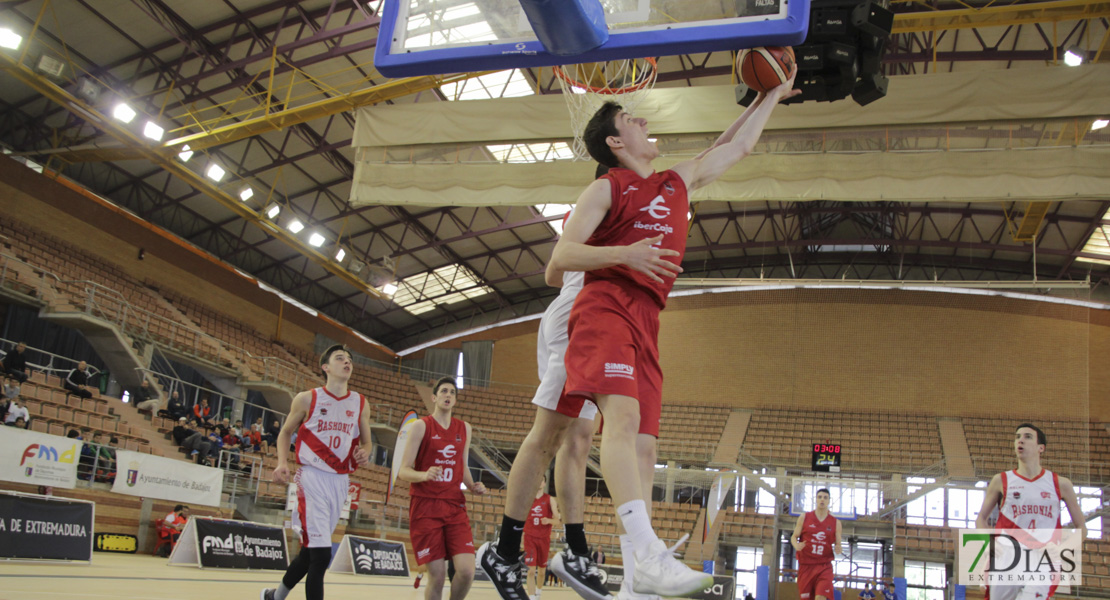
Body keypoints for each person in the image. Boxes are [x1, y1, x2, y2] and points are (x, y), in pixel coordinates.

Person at [482, 75, 799, 600]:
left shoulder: (675, 181)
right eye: (631, 120)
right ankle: (618, 553)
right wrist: (625, 255)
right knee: (595, 429)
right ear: (614, 142)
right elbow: (557, 264)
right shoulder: (608, 186)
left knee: (645, 447)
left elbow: (734, 145)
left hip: (646, 318)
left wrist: (770, 96)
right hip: (598, 306)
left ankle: (635, 579)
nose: (645, 121)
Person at [260, 344, 372, 600]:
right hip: (311, 478)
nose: (347, 362)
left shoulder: (360, 403)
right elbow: (285, 432)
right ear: (326, 367)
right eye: (340, 358)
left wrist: (365, 452)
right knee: (322, 555)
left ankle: (274, 597)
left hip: (340, 481)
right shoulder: (307, 398)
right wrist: (282, 462)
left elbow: (367, 443)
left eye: (349, 359)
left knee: (310, 554)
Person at [973, 423, 1087, 600]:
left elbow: (1081, 526)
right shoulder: (1001, 480)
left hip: (1042, 557)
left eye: (1027, 437)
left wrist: (1063, 548)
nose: (1021, 441)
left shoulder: (1060, 484)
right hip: (1008, 555)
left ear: (1041, 448)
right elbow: (981, 518)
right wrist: (988, 543)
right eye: (1017, 437)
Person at [398, 376, 487, 600]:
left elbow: (462, 466)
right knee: (437, 576)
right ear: (434, 397)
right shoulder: (421, 426)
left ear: (455, 400)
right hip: (426, 506)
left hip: (454, 505)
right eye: (444, 391)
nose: (448, 395)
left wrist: (473, 485)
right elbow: (403, 470)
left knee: (467, 571)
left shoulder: (464, 428)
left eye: (452, 392)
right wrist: (424, 474)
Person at [790, 488, 844, 600]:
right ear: (816, 500)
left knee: (820, 597)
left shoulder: (836, 523)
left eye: (825, 497)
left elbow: (838, 544)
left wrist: (838, 548)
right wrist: (796, 545)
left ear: (829, 501)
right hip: (806, 566)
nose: (822, 499)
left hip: (824, 566)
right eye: (819, 497)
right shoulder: (804, 517)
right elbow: (794, 537)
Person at [524, 473, 561, 600]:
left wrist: (548, 521)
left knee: (541, 572)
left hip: (544, 539)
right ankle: (532, 596)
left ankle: (538, 592)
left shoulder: (550, 499)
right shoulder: (528, 498)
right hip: (529, 538)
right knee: (530, 571)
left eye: (542, 480)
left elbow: (558, 520)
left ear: (544, 483)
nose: (539, 482)